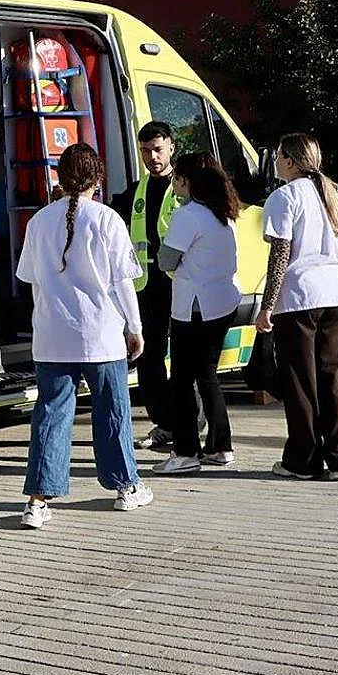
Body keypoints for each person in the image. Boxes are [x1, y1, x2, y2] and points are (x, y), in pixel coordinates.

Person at [17, 143, 154, 528]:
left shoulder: (38, 221)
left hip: (51, 334)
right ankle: (126, 487)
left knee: (50, 415)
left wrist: (41, 322)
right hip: (101, 333)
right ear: (98, 178)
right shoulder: (108, 219)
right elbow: (123, 283)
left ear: (59, 178)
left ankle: (38, 501)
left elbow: (34, 284)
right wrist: (135, 327)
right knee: (111, 411)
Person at [256, 133, 338, 481]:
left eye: (279, 155)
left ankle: (302, 460)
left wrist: (266, 305)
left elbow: (281, 254)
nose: (276, 161)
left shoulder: (283, 197)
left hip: (299, 299)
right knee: (332, 380)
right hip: (336, 296)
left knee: (300, 382)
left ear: (290, 161)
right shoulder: (331, 196)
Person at [153, 153, 242, 474]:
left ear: (189, 182)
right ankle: (220, 445)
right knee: (207, 377)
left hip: (194, 308)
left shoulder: (187, 215)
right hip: (222, 303)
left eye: (177, 178)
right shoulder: (223, 214)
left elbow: (165, 260)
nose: (174, 183)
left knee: (181, 380)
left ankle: (186, 451)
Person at [118, 121, 184, 451]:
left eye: (158, 149)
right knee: (149, 357)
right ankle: (164, 424)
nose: (152, 157)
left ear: (172, 147)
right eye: (145, 151)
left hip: (182, 286)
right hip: (147, 287)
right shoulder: (136, 192)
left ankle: (188, 421)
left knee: (186, 359)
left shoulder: (185, 189)